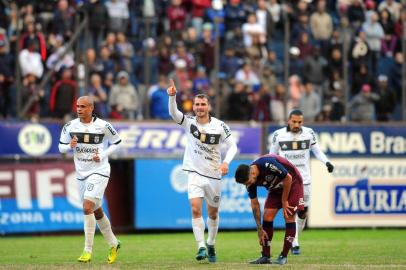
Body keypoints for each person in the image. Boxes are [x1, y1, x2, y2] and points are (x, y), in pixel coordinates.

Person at [167, 79, 238, 263]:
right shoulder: (189, 122)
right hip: (194, 173)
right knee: (195, 209)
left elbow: (233, 147)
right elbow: (174, 113)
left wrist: (226, 163)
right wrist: (172, 97)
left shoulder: (220, 126)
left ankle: (211, 242)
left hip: (214, 175)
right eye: (197, 104)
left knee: (213, 213)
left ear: (209, 106)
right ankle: (200, 247)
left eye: (203, 104)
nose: (199, 107)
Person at [58, 96, 122, 264]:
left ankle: (87, 250)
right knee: (96, 210)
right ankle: (114, 244)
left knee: (87, 207)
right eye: (78, 106)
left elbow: (117, 143)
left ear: (91, 108)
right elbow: (60, 146)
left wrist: (102, 155)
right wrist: (69, 146)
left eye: (83, 106)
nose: (79, 109)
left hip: (100, 171)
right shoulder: (70, 126)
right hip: (81, 174)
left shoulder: (103, 125)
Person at [269, 109, 334, 255]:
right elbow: (272, 155)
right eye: (294, 121)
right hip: (287, 179)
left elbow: (317, 151)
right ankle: (294, 241)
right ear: (288, 120)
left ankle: (295, 238)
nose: (297, 125)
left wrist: (327, 162)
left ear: (302, 122)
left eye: (299, 122)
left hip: (305, 179)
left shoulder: (309, 133)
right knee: (291, 210)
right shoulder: (278, 134)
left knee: (303, 212)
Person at [234, 154, 305, 265]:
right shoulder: (249, 180)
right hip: (275, 188)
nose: (247, 185)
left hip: (293, 183)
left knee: (289, 215)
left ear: (252, 173)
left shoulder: (267, 163)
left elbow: (288, 178)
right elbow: (255, 204)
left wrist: (284, 201)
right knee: (267, 216)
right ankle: (265, 256)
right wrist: (259, 228)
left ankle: (283, 256)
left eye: (248, 182)